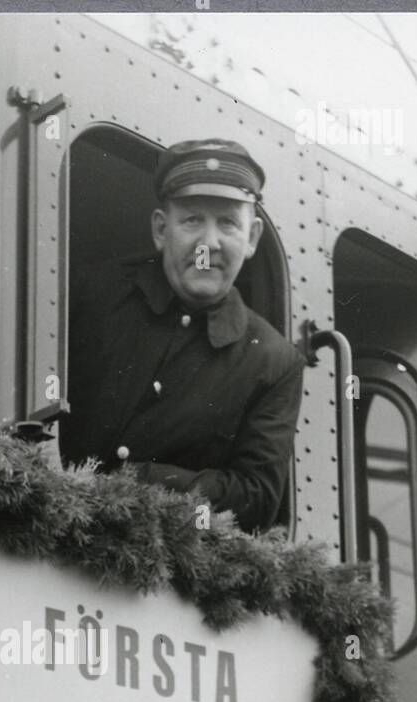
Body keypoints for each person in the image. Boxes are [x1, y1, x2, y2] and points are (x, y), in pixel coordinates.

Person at [60, 139, 305, 533]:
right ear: (161, 229)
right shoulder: (91, 293)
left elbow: (257, 495)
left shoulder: (274, 362)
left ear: (254, 237)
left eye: (228, 223)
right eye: (192, 220)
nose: (209, 243)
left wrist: (143, 479)